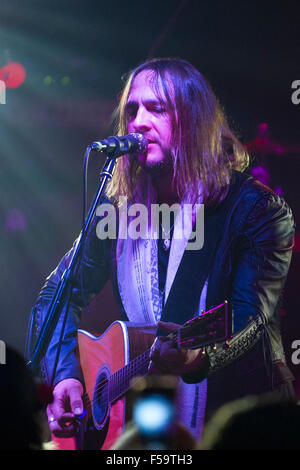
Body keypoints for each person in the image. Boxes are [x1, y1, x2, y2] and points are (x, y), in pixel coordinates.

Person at [26, 58, 295, 444]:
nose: (138, 121)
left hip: (243, 424)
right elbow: (55, 297)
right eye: (132, 109)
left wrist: (198, 358)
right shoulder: (119, 213)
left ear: (193, 123)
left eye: (156, 108)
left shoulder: (255, 210)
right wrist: (67, 375)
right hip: (150, 427)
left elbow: (249, 316)